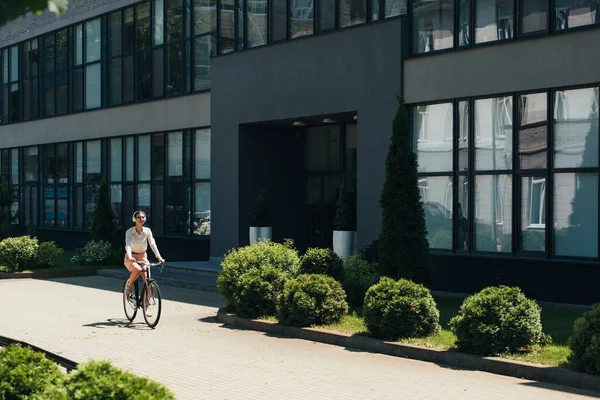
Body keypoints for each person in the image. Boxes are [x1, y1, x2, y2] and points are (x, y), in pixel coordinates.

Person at [124, 210, 165, 317]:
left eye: (143, 217)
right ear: (134, 219)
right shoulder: (129, 232)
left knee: (147, 280)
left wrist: (159, 256)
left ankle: (147, 306)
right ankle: (129, 287)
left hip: (143, 257)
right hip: (131, 257)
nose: (141, 219)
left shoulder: (147, 231)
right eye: (139, 217)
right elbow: (128, 245)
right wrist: (129, 256)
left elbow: (152, 243)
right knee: (137, 270)